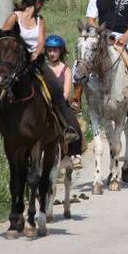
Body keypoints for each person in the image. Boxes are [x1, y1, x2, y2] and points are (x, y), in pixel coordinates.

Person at [0, 0, 79, 146]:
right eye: (42, 2)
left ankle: (66, 128)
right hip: (15, 64)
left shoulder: (40, 20)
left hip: (35, 63)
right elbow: (3, 40)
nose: (42, 6)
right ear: (36, 2)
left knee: (55, 89)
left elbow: (41, 42)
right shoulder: (14, 17)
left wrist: (34, 55)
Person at [44, 34, 83, 169]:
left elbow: (66, 92)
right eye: (49, 50)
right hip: (45, 102)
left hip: (60, 103)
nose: (52, 53)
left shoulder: (66, 69)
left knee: (72, 123)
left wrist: (56, 102)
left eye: (55, 50)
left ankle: (76, 154)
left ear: (60, 51)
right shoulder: (43, 69)